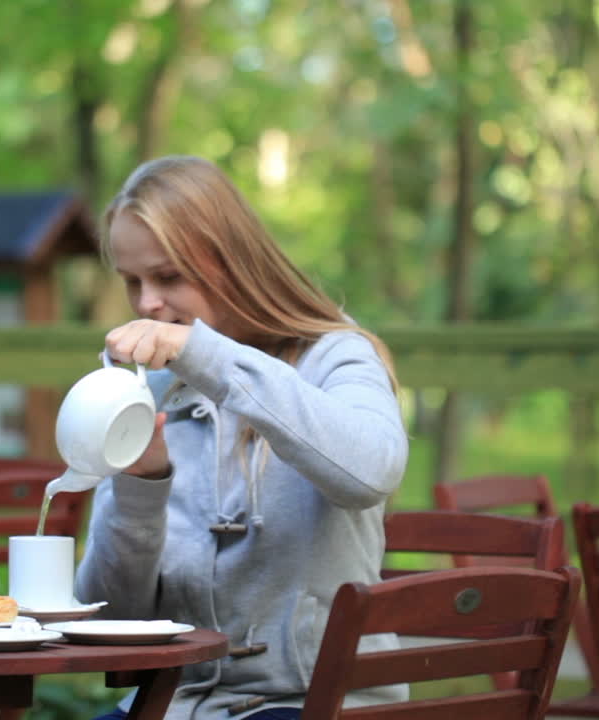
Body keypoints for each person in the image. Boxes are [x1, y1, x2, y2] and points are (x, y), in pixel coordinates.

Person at [75, 155, 409, 720]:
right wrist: (141, 488)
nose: (147, 303)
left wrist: (205, 354)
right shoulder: (150, 394)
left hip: (316, 705)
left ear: (233, 262)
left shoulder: (338, 357)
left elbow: (370, 472)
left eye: (168, 276)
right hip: (174, 706)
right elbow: (108, 617)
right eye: (132, 281)